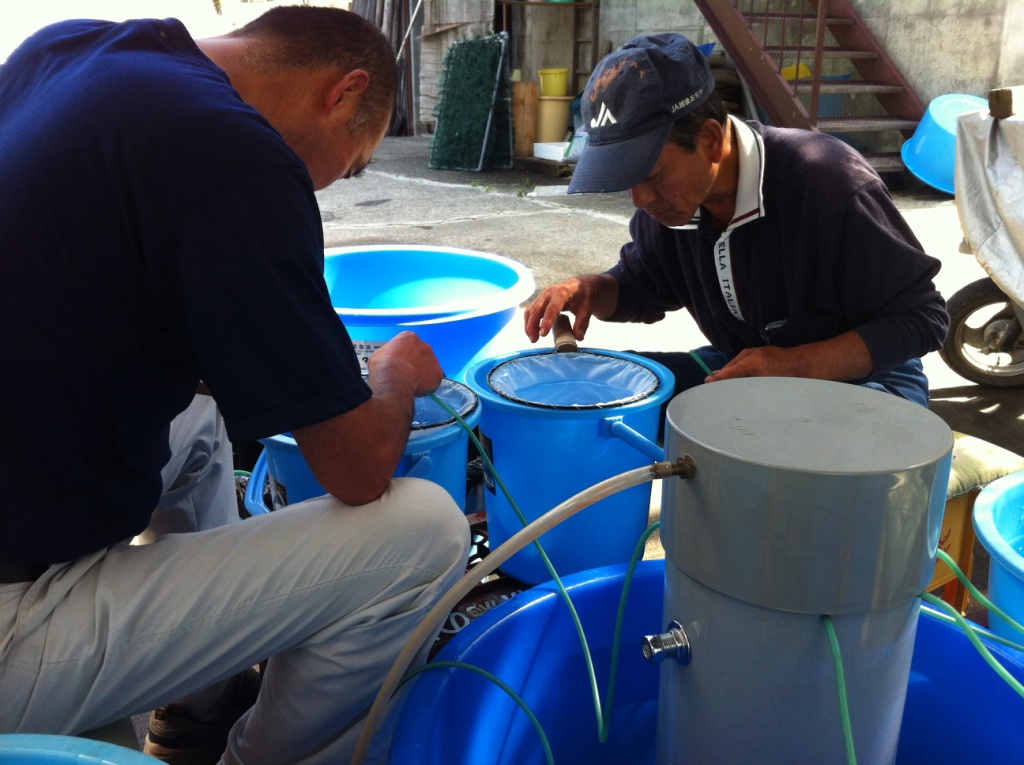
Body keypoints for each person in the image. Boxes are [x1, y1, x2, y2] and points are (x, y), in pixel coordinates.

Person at [0, 7, 470, 765]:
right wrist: (391, 374)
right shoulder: (233, 152)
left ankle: (199, 699)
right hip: (14, 621)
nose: (331, 186)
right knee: (427, 533)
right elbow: (356, 467)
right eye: (352, 164)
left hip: (24, 487)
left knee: (198, 426)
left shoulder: (69, 51)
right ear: (344, 93)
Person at [524, 33, 949, 409]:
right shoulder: (670, 207)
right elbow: (646, 285)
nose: (641, 200)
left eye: (651, 176)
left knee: (775, 467)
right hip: (745, 368)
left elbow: (923, 318)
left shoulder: (827, 181)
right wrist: (591, 290)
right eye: (626, 181)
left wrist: (796, 364)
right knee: (601, 397)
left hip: (870, 383)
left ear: (709, 140)